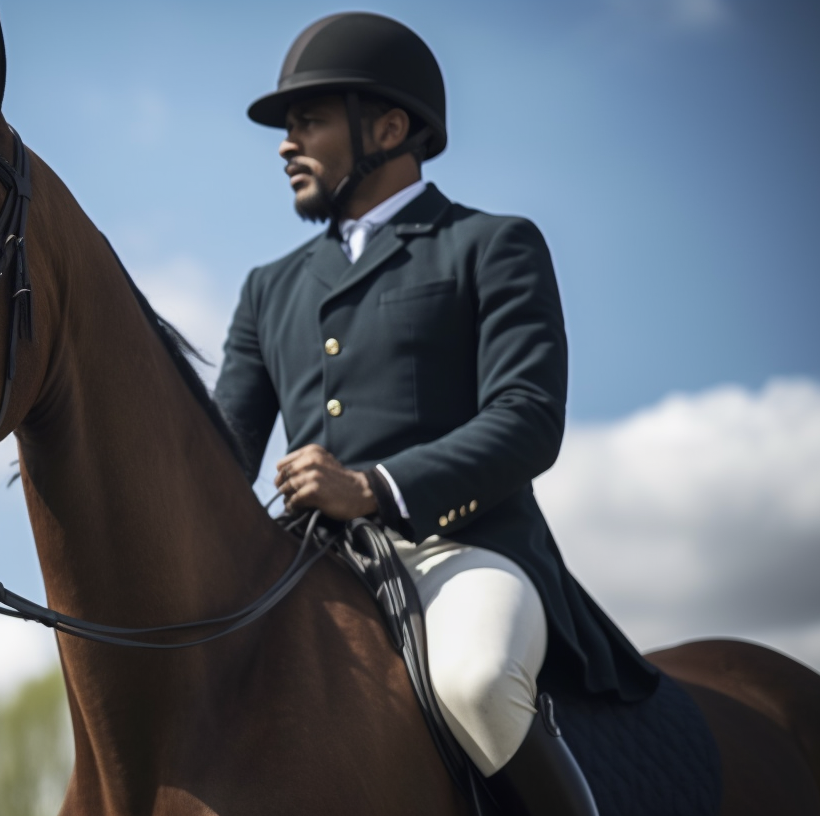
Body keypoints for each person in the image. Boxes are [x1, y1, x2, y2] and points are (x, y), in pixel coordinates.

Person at [214, 13, 658, 816]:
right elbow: (219, 457)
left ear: (389, 127)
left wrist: (372, 486)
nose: (286, 143)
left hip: (463, 547)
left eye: (308, 119)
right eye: (287, 125)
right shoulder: (267, 287)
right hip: (310, 562)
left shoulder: (488, 245)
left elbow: (527, 418)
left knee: (477, 681)